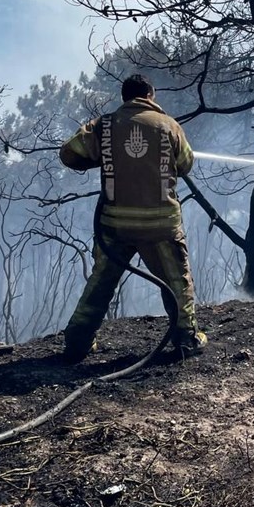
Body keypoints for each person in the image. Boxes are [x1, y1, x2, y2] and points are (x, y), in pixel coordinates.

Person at [58, 74, 206, 362]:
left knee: (100, 282)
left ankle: (78, 341)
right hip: (161, 226)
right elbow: (186, 164)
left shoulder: (105, 125)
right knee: (178, 282)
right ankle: (186, 339)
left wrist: (98, 157)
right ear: (150, 95)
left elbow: (69, 154)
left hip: (115, 226)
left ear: (125, 97)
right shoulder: (169, 125)